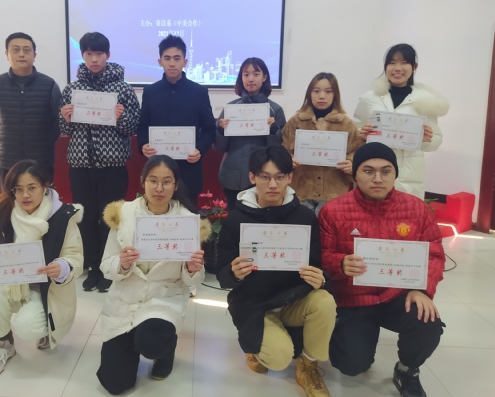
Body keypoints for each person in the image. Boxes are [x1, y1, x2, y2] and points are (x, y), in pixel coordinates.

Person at [319, 142, 445, 397]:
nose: (378, 178)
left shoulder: (416, 209)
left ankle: (407, 370)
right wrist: (340, 264)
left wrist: (422, 290)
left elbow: (434, 254)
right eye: (368, 171)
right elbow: (321, 255)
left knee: (427, 321)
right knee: (351, 366)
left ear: (395, 174)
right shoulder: (333, 210)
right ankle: (347, 334)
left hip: (397, 294)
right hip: (353, 298)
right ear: (355, 174)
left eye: (386, 171)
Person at [216, 145, 336, 397]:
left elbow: (316, 264)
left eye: (280, 177)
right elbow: (222, 275)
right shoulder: (236, 220)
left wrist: (320, 278)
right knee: (278, 358)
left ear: (290, 178)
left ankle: (308, 365)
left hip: (292, 299)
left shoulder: (304, 218)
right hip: (254, 303)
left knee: (324, 301)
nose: (272, 184)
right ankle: (260, 344)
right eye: (265, 176)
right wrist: (233, 272)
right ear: (252, 177)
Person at [96, 155, 209, 395]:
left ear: (175, 185)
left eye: (167, 182)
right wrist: (122, 264)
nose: (159, 188)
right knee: (115, 384)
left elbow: (193, 280)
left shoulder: (187, 222)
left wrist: (192, 268)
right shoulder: (123, 213)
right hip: (126, 298)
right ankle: (132, 341)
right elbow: (106, 265)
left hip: (163, 298)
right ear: (142, 182)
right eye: (153, 181)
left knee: (153, 341)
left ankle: (164, 350)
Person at [0, 160, 83, 376]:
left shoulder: (62, 216)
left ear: (45, 187)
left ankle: (44, 328)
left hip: (45, 289)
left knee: (27, 327)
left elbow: (74, 255)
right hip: (9, 282)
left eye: (32, 187)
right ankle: (5, 343)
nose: (25, 195)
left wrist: (62, 267)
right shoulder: (1, 213)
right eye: (18, 189)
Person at [59, 32, 140, 293]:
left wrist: (120, 117)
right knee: (85, 218)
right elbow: (64, 130)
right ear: (83, 55)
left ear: (108, 55)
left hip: (113, 167)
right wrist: (66, 118)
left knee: (110, 218)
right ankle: (93, 266)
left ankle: (108, 266)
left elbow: (133, 127)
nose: (94, 59)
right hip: (81, 166)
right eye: (89, 54)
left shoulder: (123, 89)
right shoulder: (72, 90)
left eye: (99, 54)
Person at [354, 43, 449, 199]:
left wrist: (426, 139)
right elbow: (355, 132)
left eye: (404, 62)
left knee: (406, 213)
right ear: (385, 67)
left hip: (409, 178)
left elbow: (435, 142)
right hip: (375, 174)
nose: (397, 68)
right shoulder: (369, 98)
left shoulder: (426, 101)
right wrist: (362, 135)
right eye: (392, 63)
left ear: (414, 66)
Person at [137, 34, 216, 205]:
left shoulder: (199, 92)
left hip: (188, 170)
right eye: (167, 58)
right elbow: (142, 127)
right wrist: (143, 145)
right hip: (157, 170)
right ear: (160, 61)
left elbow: (210, 129)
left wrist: (199, 150)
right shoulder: (150, 92)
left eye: (177, 58)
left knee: (187, 218)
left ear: (185, 62)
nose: (172, 63)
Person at [0, 32, 62, 191]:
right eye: (15, 50)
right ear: (7, 54)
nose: (21, 54)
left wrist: (45, 142)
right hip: (7, 160)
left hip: (41, 160)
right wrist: (4, 140)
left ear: (34, 55)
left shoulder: (49, 85)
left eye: (26, 50)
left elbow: (58, 122)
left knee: (42, 203)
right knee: (9, 202)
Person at [282, 72, 364, 214]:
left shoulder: (346, 124)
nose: (322, 96)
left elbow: (356, 154)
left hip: (334, 194)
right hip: (301, 192)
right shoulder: (295, 122)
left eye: (328, 91)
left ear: (335, 94)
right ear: (309, 94)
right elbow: (282, 152)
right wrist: (287, 160)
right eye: (316, 91)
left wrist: (352, 164)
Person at [215, 57, 286, 211]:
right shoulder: (231, 109)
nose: (250, 79)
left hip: (263, 178)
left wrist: (273, 130)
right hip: (232, 177)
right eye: (246, 74)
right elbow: (219, 147)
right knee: (234, 219)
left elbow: (279, 150)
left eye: (256, 74)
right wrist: (221, 130)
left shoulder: (275, 110)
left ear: (264, 77)